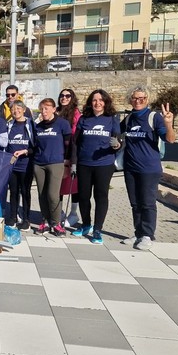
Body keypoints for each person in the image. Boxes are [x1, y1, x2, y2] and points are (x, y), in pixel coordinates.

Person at [120, 86, 176, 249]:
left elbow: (170, 139)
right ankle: (138, 233)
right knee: (135, 203)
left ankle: (147, 235)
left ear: (147, 99)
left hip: (149, 169)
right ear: (130, 100)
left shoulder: (154, 117)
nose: (138, 101)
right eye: (135, 98)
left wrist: (168, 124)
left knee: (147, 203)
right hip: (130, 168)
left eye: (142, 98)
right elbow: (115, 132)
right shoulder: (129, 118)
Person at [70, 89, 121, 244]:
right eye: (94, 100)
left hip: (104, 165)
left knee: (100, 196)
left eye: (101, 100)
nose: (97, 103)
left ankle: (97, 229)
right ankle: (86, 224)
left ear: (106, 102)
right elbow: (75, 142)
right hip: (84, 164)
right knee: (83, 196)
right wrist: (74, 163)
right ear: (90, 102)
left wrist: (117, 145)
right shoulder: (84, 119)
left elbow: (118, 141)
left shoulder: (112, 119)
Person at [32, 98, 71, 237]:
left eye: (47, 109)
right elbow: (35, 145)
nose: (44, 112)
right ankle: (45, 221)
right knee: (42, 194)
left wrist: (67, 162)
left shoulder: (62, 124)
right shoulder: (38, 126)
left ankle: (56, 223)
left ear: (54, 109)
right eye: (42, 109)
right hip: (39, 163)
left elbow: (69, 144)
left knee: (53, 195)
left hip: (56, 162)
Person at [6, 100, 35, 229]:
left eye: (18, 109)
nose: (15, 111)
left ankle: (26, 219)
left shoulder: (31, 124)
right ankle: (13, 217)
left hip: (26, 165)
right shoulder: (9, 125)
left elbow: (36, 146)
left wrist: (25, 151)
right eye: (13, 109)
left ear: (24, 110)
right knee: (13, 192)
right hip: (12, 165)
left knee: (25, 191)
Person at [57, 88, 81, 227]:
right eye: (62, 95)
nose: (64, 98)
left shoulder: (76, 114)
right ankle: (59, 212)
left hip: (72, 152)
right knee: (59, 185)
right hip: (58, 153)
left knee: (73, 185)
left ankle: (73, 213)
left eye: (67, 96)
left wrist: (72, 157)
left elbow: (75, 136)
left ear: (72, 98)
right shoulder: (57, 112)